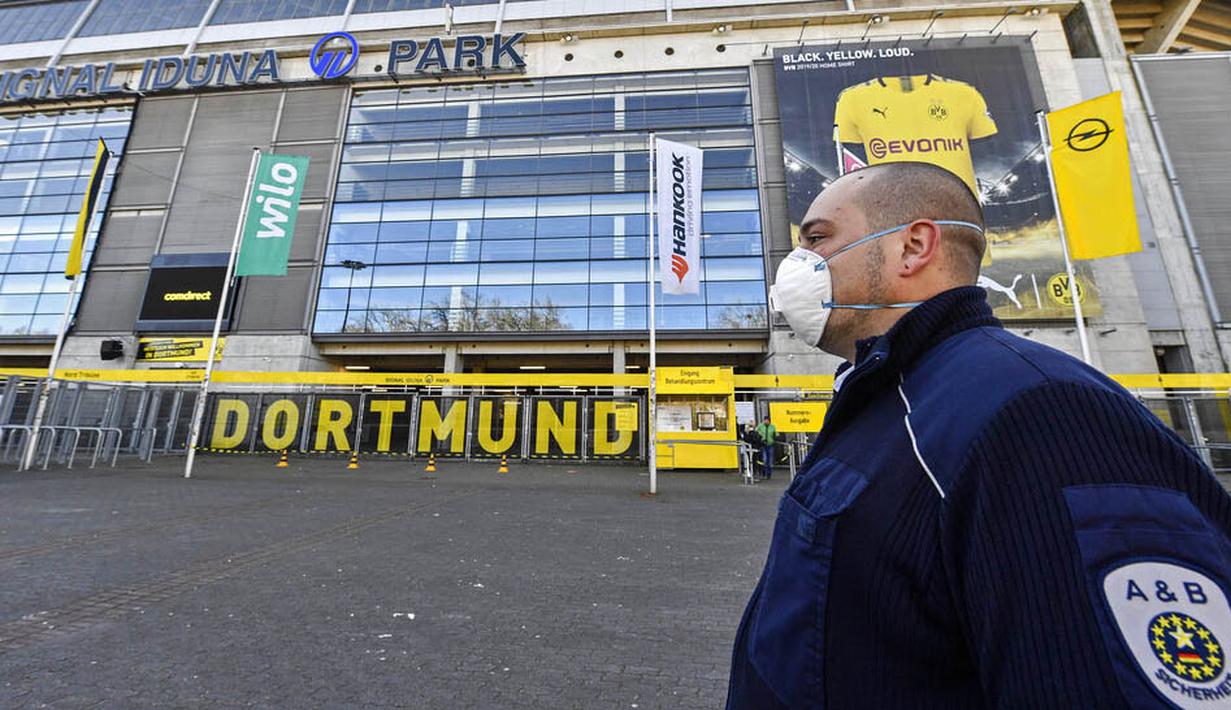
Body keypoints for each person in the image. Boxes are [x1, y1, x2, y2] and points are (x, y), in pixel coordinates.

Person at [726, 161, 1231, 709]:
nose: (797, 264)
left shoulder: (1044, 413)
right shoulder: (889, 396)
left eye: (818, 238)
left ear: (914, 246)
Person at [755, 416, 778, 480]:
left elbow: (776, 434)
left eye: (767, 420)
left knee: (770, 460)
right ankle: (764, 472)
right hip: (763, 445)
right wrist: (760, 437)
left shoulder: (772, 427)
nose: (766, 421)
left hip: (770, 445)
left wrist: (774, 438)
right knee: (764, 459)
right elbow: (756, 432)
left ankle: (769, 473)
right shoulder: (760, 426)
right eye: (765, 420)